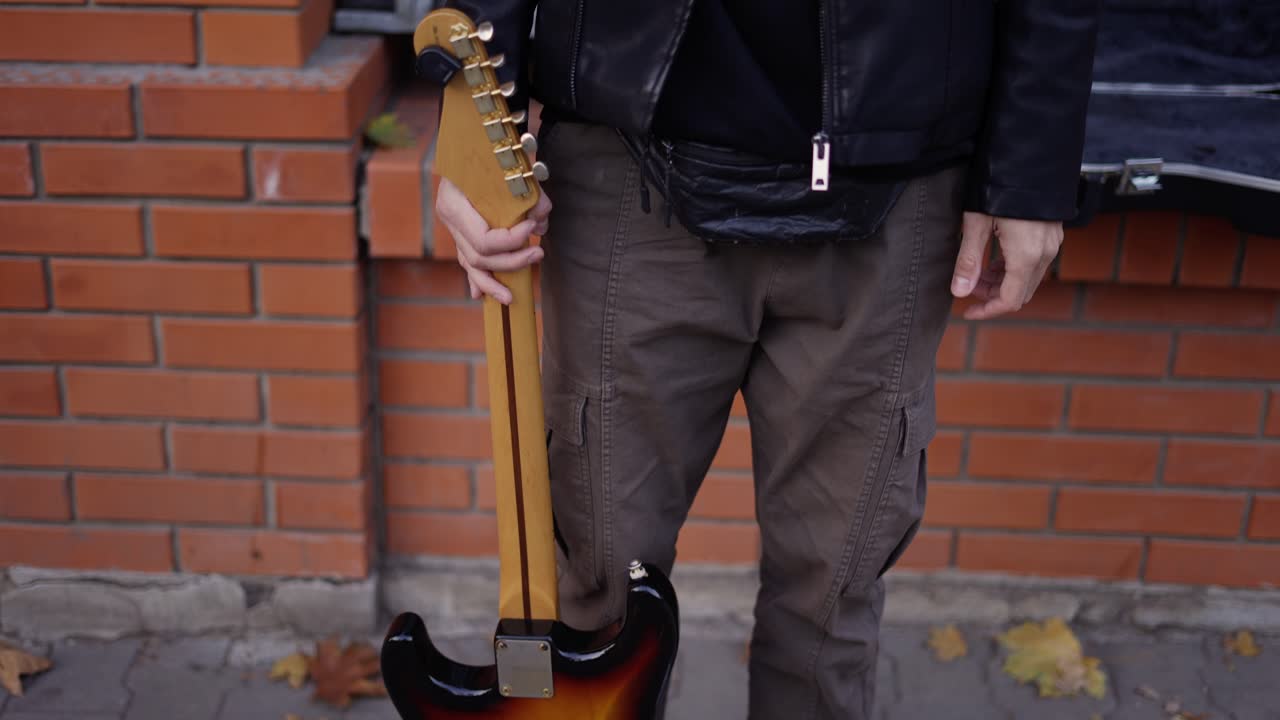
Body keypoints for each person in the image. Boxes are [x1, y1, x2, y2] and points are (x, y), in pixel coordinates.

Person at [432, 1, 1101, 717]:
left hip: (899, 176)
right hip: (627, 157)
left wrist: (1030, 167)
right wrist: (473, 124)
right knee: (596, 579)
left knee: (831, 593)